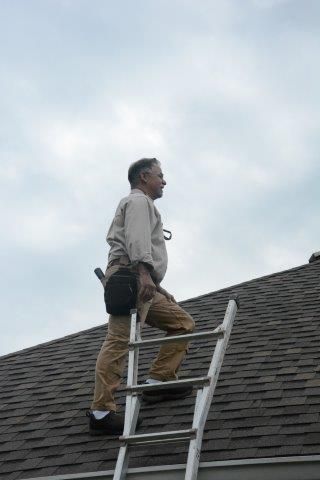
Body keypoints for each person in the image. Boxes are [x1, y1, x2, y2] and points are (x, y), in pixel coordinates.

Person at [87, 158, 195, 435]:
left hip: (140, 279)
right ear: (145, 176)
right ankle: (101, 413)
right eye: (160, 175)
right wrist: (146, 276)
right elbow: (136, 240)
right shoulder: (138, 202)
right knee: (119, 340)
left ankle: (158, 381)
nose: (164, 181)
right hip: (131, 278)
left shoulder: (144, 205)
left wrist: (156, 286)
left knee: (182, 323)